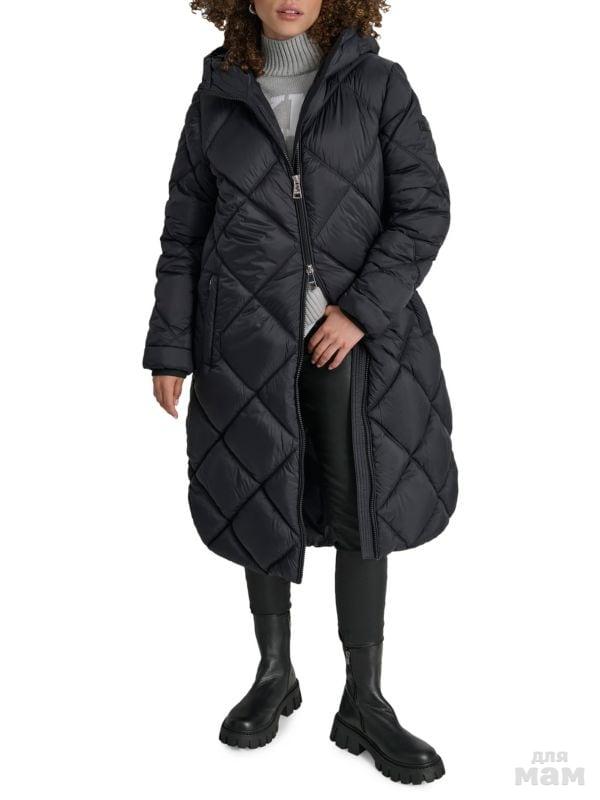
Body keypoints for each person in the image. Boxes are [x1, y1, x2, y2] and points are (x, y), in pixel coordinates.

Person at [143, 0, 458, 785]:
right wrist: (171, 347)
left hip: (354, 345)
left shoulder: (379, 86)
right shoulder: (216, 98)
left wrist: (359, 313)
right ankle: (275, 673)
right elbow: (184, 233)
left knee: (363, 507)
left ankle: (365, 699)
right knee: (261, 495)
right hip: (246, 343)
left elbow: (423, 210)